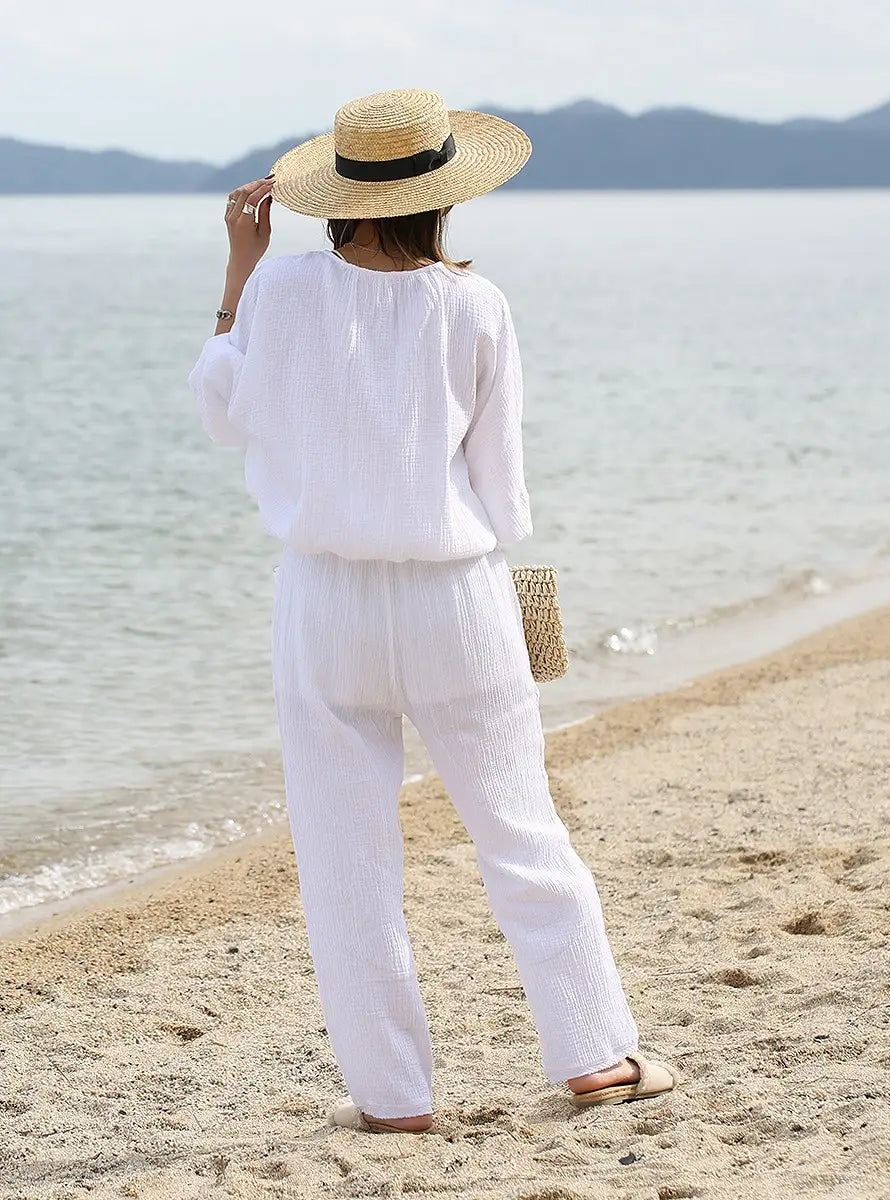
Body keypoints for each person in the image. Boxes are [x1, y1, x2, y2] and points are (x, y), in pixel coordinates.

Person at [189, 89, 679, 1134]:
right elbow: (502, 487)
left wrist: (238, 273)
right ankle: (595, 1055)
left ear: (338, 195)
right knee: (520, 828)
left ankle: (392, 1099)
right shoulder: (476, 304)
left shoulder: (279, 291)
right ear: (443, 194)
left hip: (324, 601)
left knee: (345, 856)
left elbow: (224, 416)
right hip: (454, 596)